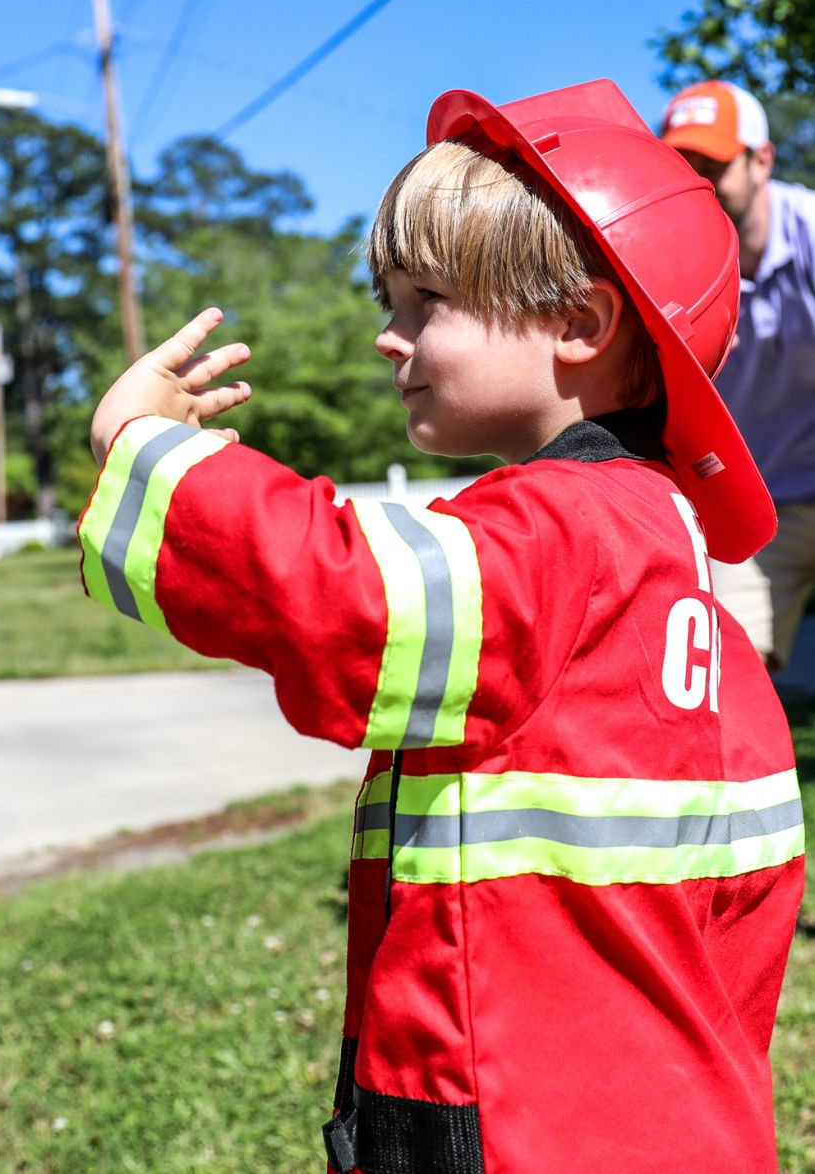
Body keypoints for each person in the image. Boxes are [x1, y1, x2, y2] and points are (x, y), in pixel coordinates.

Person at [77, 80, 803, 1172]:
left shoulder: (558, 533)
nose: (385, 334)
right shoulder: (674, 567)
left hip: (517, 1136)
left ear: (578, 324)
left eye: (424, 301)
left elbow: (347, 602)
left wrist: (144, 450)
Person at [661, 80, 815, 673]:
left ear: (762, 161)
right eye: (685, 167)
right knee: (722, 678)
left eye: (714, 165)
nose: (700, 184)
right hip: (757, 512)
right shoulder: (671, 268)